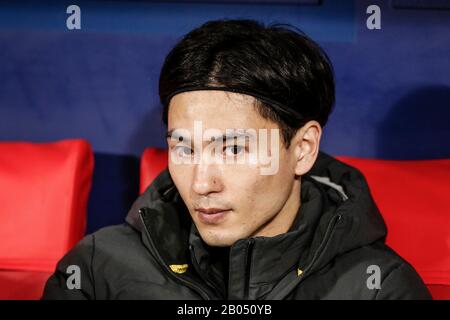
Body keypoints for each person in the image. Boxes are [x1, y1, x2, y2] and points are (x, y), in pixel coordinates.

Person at [42, 19, 431, 300]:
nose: (201, 184)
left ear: (302, 148)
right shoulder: (96, 268)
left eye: (232, 149)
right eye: (184, 148)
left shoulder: (379, 287)